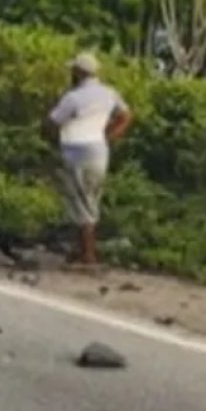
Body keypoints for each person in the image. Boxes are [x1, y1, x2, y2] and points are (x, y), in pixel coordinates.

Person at [46, 52, 133, 267]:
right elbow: (126, 116)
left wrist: (53, 139)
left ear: (78, 73)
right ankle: (81, 251)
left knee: (81, 202)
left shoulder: (73, 97)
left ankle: (88, 255)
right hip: (99, 150)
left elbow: (52, 122)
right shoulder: (109, 93)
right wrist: (110, 135)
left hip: (76, 150)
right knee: (91, 198)